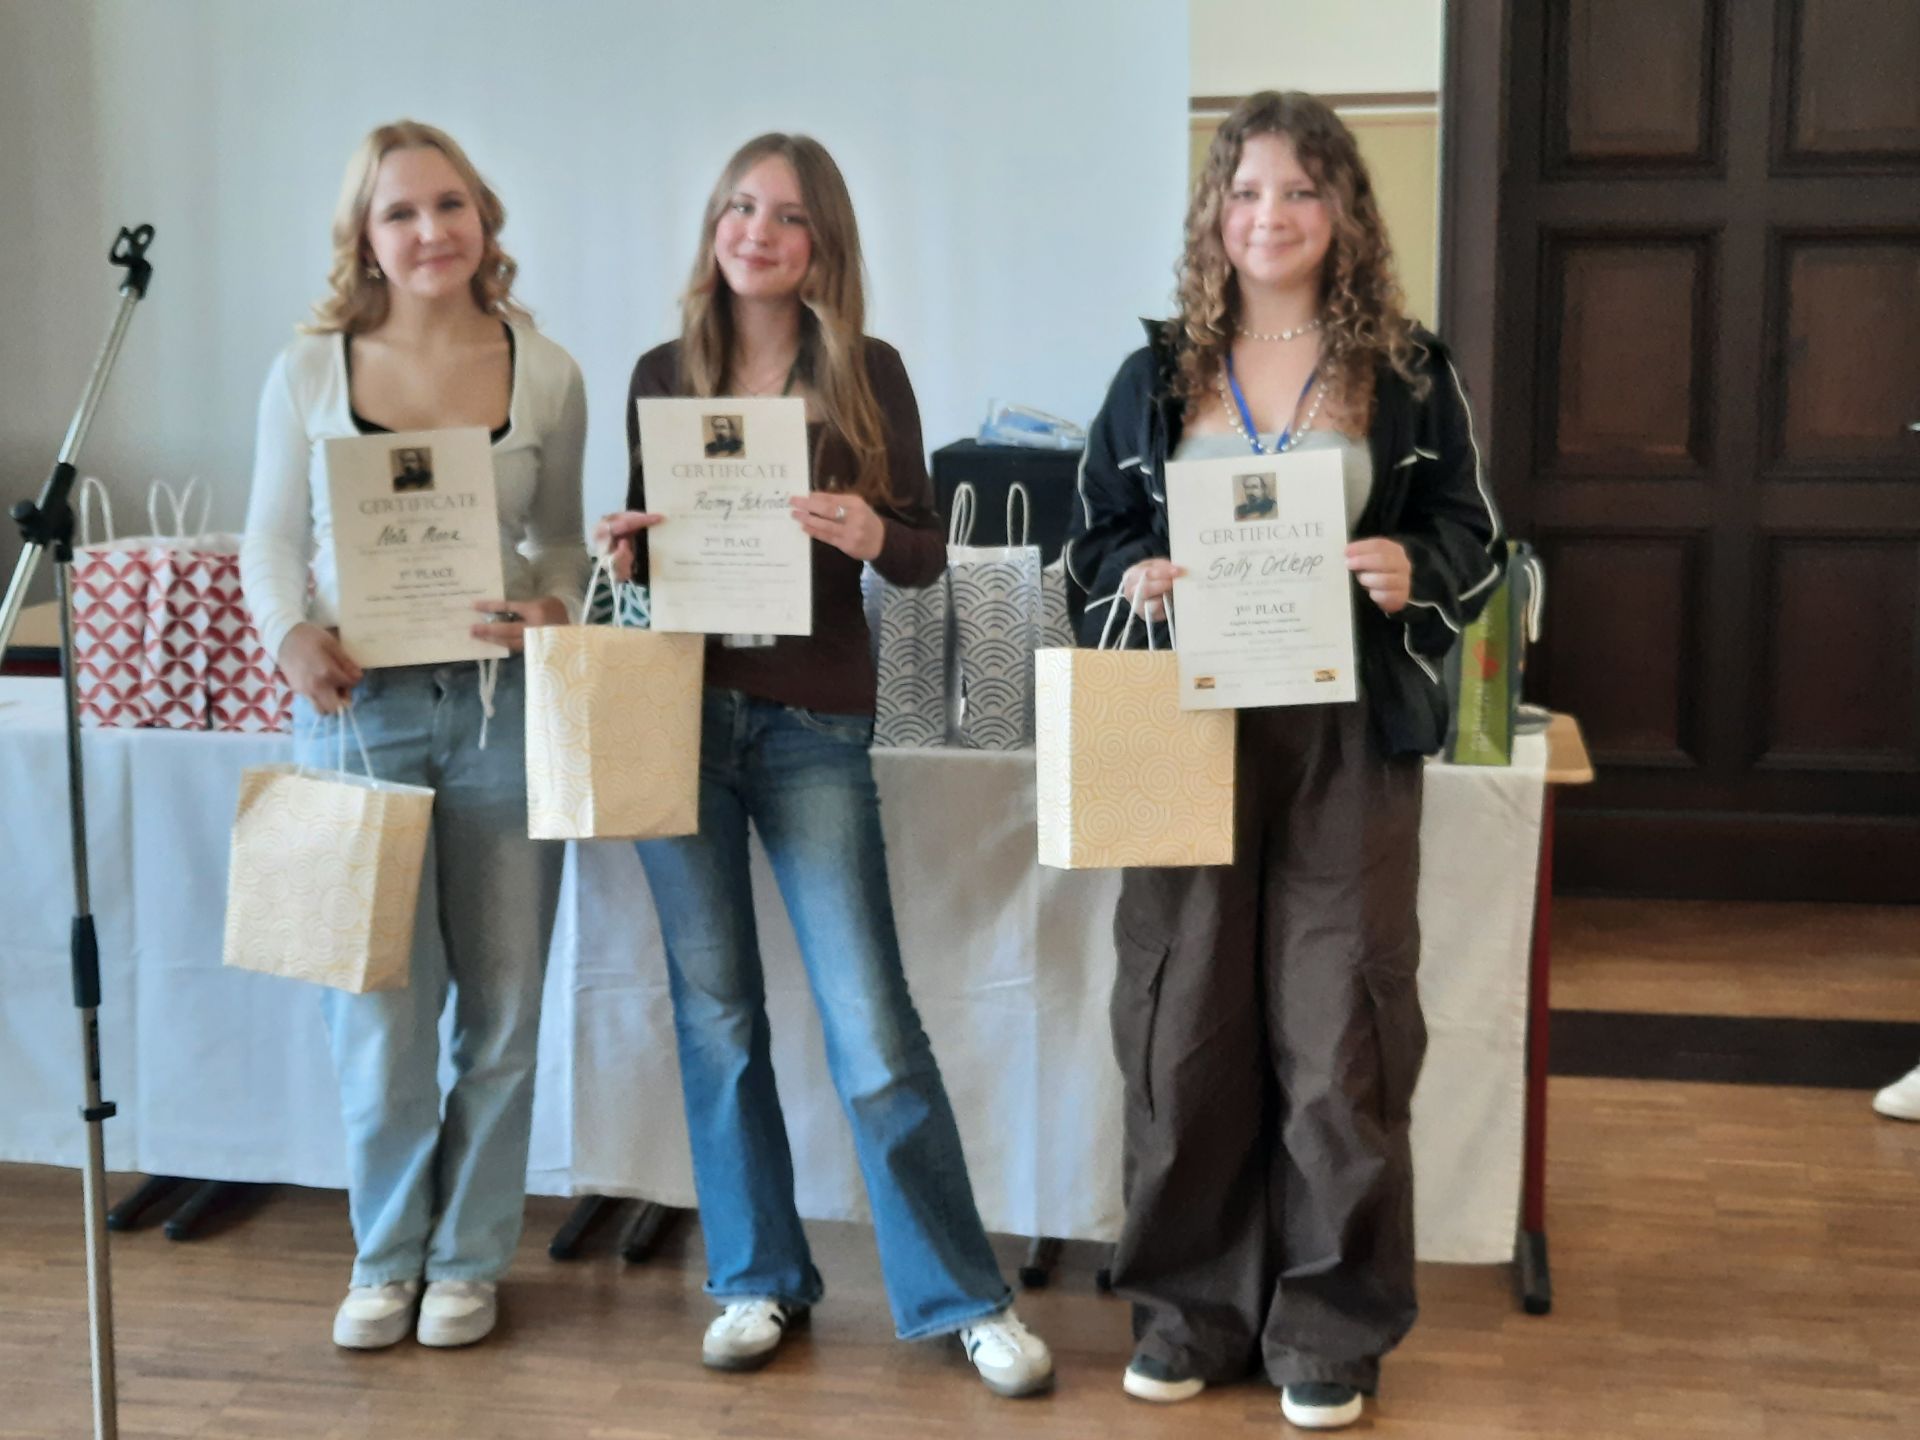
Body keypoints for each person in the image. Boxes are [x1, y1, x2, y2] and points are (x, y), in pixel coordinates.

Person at [1063, 91, 1502, 1430]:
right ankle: (1188, 1312)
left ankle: (1329, 1324)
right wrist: (1132, 578)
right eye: (1247, 191)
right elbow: (1090, 544)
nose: (1272, 216)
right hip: (1184, 724)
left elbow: (1473, 537)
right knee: (1183, 1020)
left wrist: (1411, 565)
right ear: (1215, 213)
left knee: (1339, 1029)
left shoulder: (1409, 371)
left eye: (1303, 190)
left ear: (1344, 211)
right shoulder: (1152, 377)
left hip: (1345, 732)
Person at [595, 132, 1053, 1399]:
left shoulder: (867, 369)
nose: (758, 231)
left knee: (872, 1024)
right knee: (717, 1020)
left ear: (823, 244)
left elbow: (922, 554)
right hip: (684, 714)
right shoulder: (660, 373)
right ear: (715, 225)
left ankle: (965, 1298)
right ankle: (756, 1278)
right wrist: (626, 550)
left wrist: (870, 533)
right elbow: (646, 556)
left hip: (814, 725)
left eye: (788, 216)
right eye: (739, 207)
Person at [241, 120, 589, 1351]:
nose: (431, 231)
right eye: (401, 212)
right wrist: (288, 633)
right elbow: (270, 538)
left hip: (502, 712)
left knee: (503, 1010)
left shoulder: (545, 372)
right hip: (356, 716)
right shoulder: (308, 370)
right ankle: (386, 1257)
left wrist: (557, 608)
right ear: (365, 236)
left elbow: (560, 541)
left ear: (483, 218)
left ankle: (468, 1260)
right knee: (378, 1015)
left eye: (451, 205)